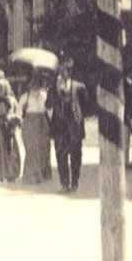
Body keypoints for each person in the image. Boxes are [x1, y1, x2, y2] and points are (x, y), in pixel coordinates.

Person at [46, 58, 90, 192]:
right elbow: (47, 105)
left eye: (63, 72)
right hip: (59, 127)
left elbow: (86, 106)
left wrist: (78, 116)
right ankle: (65, 183)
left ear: (69, 73)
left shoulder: (79, 87)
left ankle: (75, 182)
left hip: (74, 126)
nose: (60, 74)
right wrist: (55, 91)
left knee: (76, 155)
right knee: (60, 155)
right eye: (59, 72)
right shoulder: (53, 87)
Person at [19, 70, 52, 183]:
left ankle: (43, 174)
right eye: (33, 83)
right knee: (31, 148)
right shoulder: (25, 97)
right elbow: (19, 111)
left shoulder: (44, 95)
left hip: (42, 122)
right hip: (30, 122)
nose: (35, 85)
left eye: (37, 83)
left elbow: (49, 110)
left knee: (43, 147)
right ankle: (32, 175)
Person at [0, 77, 24, 183]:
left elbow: (18, 112)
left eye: (1, 88)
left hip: (8, 127)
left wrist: (13, 117)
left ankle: (12, 174)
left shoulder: (11, 100)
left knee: (11, 149)